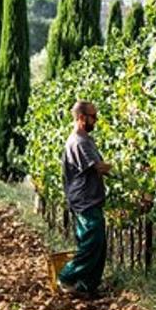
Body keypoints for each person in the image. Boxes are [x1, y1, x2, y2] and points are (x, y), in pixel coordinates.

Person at [58, 100, 112, 296]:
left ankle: (87, 286)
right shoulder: (79, 142)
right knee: (91, 244)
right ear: (81, 118)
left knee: (98, 245)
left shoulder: (86, 139)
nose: (95, 120)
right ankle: (66, 277)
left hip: (91, 198)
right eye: (93, 117)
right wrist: (122, 168)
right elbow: (97, 167)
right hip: (84, 200)